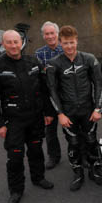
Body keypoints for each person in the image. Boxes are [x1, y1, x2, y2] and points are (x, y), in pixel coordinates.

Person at [0, 30, 55, 203]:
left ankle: (38, 178)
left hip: (35, 117)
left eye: (16, 42)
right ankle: (16, 190)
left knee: (36, 150)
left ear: (21, 42)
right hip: (13, 121)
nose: (14, 46)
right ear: (4, 45)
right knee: (15, 156)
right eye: (9, 43)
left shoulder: (33, 62)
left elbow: (45, 91)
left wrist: (49, 112)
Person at [46, 25, 102, 191]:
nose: (69, 46)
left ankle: (95, 170)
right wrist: (60, 114)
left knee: (91, 140)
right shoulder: (54, 64)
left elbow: (99, 84)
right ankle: (78, 173)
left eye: (71, 42)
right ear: (60, 43)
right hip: (68, 112)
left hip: (88, 110)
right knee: (73, 142)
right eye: (65, 43)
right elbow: (51, 90)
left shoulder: (89, 59)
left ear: (77, 41)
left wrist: (98, 108)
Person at [35, 21, 65, 170]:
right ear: (43, 36)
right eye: (47, 34)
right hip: (49, 98)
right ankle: (54, 156)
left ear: (57, 34)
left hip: (66, 96)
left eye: (52, 33)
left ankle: (81, 155)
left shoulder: (65, 48)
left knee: (73, 128)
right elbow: (40, 78)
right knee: (50, 131)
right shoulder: (39, 54)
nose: (50, 36)